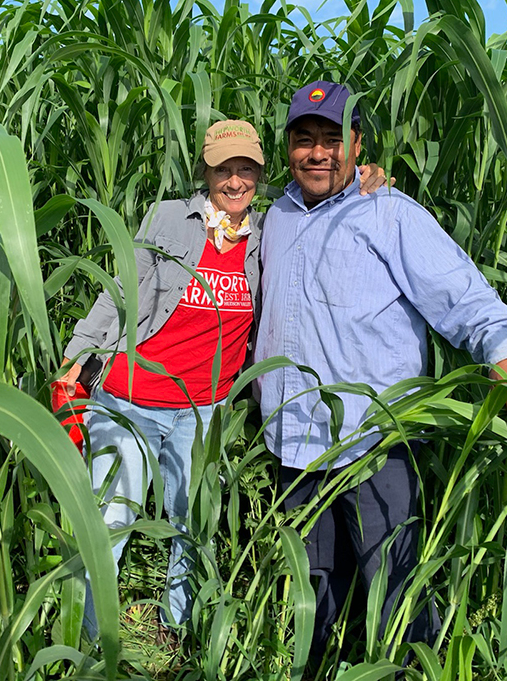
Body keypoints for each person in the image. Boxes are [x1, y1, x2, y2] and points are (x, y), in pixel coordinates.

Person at [254, 81, 507, 657]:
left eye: (331, 138)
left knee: (395, 601)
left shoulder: (389, 211)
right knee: (312, 602)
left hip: (375, 443)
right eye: (304, 139)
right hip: (293, 446)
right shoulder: (275, 216)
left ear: (356, 143)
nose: (318, 152)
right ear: (288, 147)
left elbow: (459, 293)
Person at [58, 119, 390, 640]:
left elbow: (323, 196)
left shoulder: (271, 227)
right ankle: (87, 646)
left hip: (203, 410)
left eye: (246, 169)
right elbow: (121, 287)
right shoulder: (168, 218)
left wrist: (365, 177)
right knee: (108, 525)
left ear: (260, 172)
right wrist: (79, 355)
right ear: (206, 173)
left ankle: (178, 634)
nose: (235, 182)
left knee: (195, 527)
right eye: (223, 170)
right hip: (131, 397)